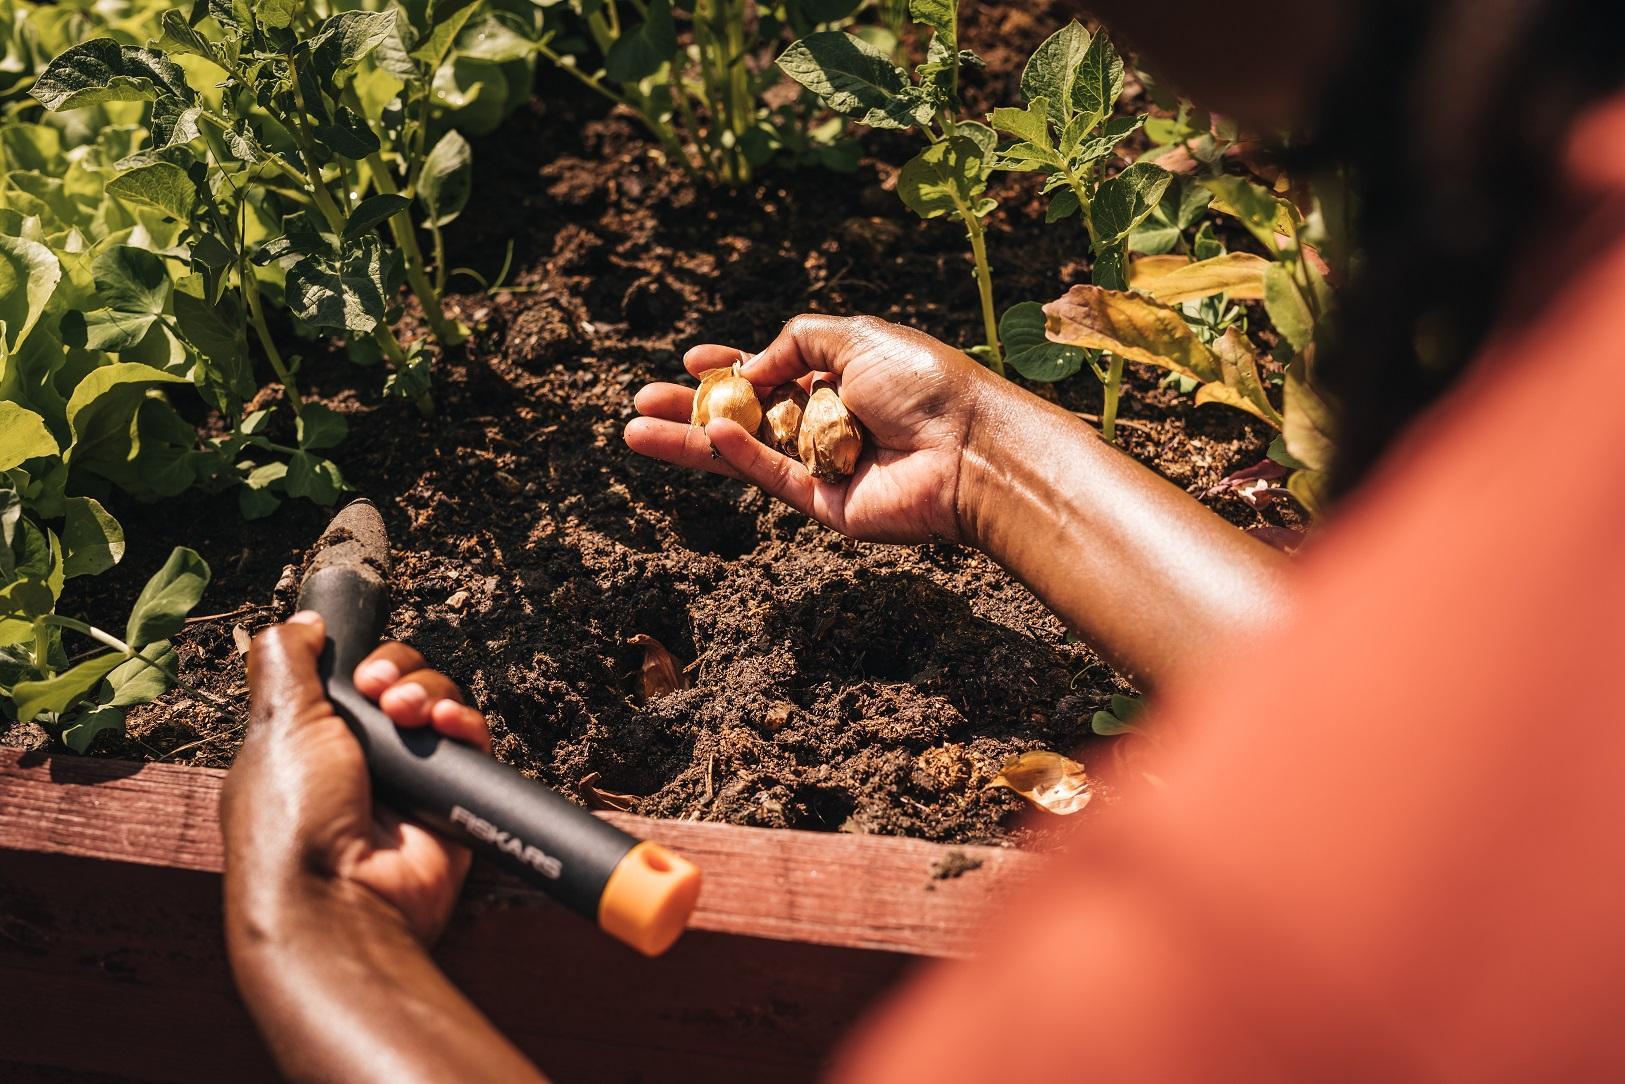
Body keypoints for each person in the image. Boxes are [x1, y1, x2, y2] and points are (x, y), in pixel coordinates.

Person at [224, 0, 1625, 1078]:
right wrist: (987, 462)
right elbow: (1405, 715)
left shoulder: (1257, 953)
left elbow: (1399, 810)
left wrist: (315, 938)